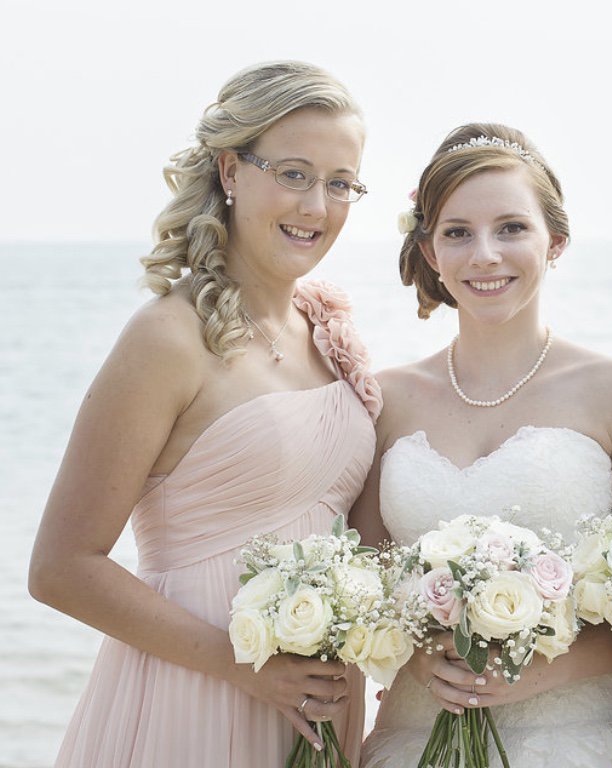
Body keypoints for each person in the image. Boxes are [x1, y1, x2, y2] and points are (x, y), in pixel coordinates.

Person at [28, 60, 382, 767]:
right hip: (192, 698)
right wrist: (242, 667)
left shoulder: (328, 327)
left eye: (340, 183)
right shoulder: (167, 337)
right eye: (293, 174)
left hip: (316, 710)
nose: (317, 206)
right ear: (229, 171)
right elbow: (61, 567)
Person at [351, 123, 612, 766]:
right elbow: (364, 584)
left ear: (555, 241)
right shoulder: (384, 400)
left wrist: (533, 672)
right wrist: (422, 654)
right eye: (457, 233)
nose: (484, 255)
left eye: (511, 228)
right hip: (417, 739)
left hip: (584, 740)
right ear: (428, 249)